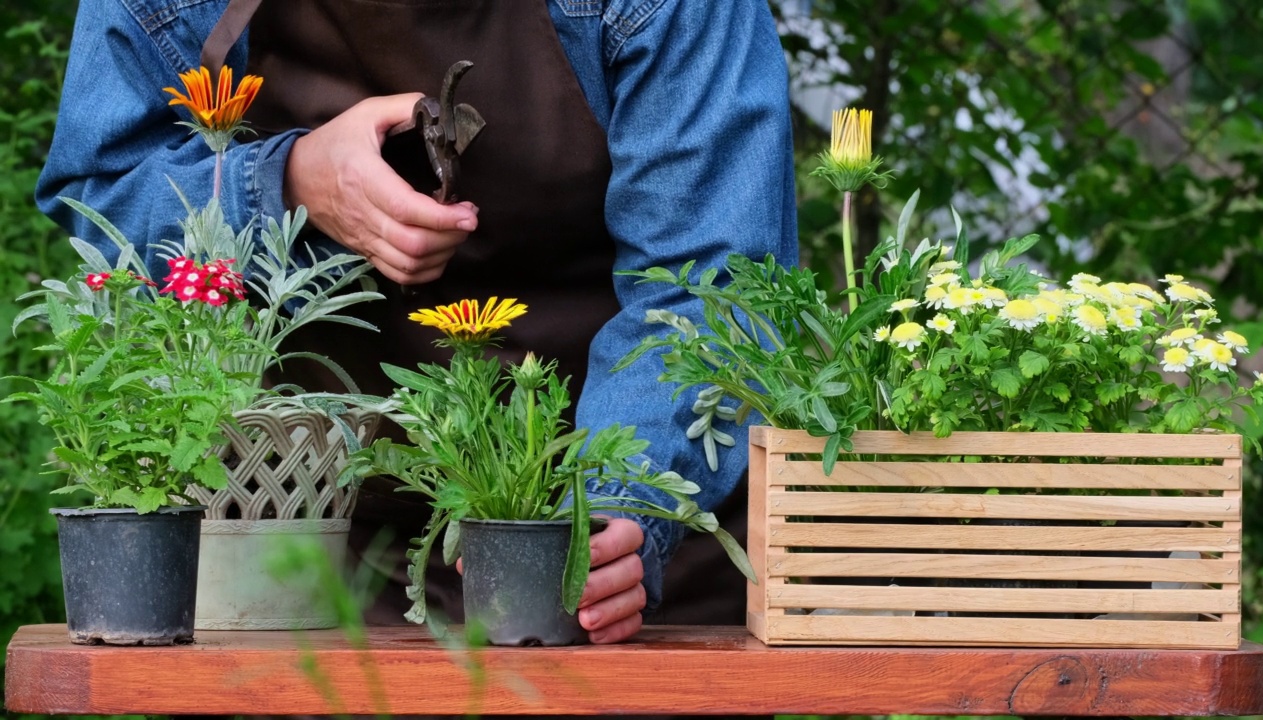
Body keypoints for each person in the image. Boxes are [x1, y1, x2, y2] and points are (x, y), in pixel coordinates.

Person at [37, 0, 798, 645]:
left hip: (613, 549)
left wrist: (610, 513)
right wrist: (291, 182)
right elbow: (99, 208)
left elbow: (710, 285)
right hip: (293, 536)